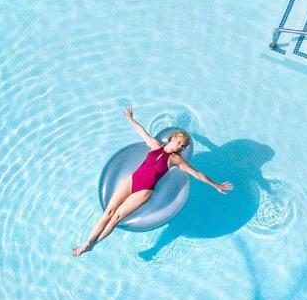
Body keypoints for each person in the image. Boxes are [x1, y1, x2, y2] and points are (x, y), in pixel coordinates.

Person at [73, 107, 233, 256]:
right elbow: (142, 132)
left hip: (145, 190)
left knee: (116, 218)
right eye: (179, 142)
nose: (180, 147)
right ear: (172, 138)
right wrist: (130, 119)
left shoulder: (176, 159)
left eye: (183, 146)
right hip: (132, 180)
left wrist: (216, 185)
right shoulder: (155, 145)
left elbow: (196, 173)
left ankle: (90, 245)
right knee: (108, 212)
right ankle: (88, 242)